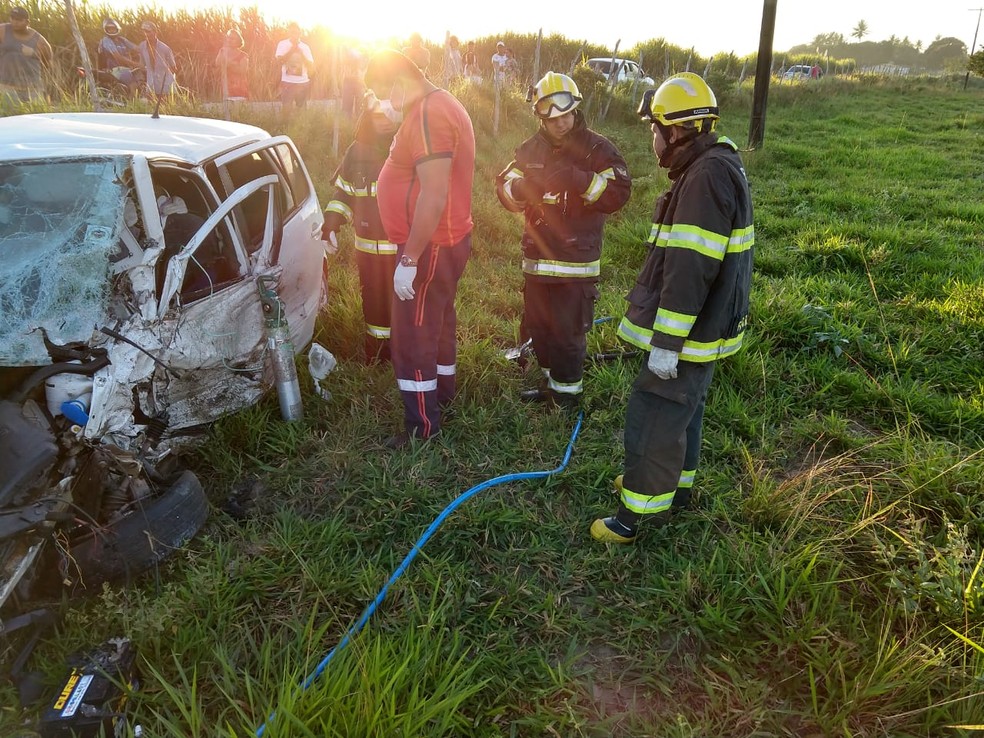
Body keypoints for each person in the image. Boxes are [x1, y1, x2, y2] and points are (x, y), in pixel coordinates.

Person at [591, 72, 754, 544]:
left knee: (655, 411)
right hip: (706, 328)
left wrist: (666, 344)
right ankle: (675, 491)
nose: (651, 138)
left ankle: (630, 517)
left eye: (654, 128)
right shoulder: (717, 162)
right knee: (685, 409)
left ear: (675, 131)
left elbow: (689, 269)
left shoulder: (704, 178)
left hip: (688, 331)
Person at [495, 72, 630, 410]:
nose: (562, 123)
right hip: (537, 260)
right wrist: (519, 189)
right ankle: (551, 384)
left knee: (568, 334)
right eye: (553, 118)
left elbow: (618, 192)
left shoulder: (598, 148)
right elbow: (505, 184)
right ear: (541, 117)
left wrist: (579, 180)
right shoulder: (529, 149)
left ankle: (566, 401)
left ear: (576, 109)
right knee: (539, 329)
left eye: (567, 115)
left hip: (576, 263)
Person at [365, 49, 475, 448]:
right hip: (436, 245)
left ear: (400, 80)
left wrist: (409, 258)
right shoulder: (434, 107)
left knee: (413, 335)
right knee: (438, 322)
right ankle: (442, 395)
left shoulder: (430, 113)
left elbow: (434, 194)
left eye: (384, 91)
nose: (384, 103)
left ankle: (422, 427)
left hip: (427, 247)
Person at [321, 91, 400, 364]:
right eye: (379, 115)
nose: (386, 121)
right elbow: (343, 193)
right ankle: (377, 353)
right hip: (366, 248)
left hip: (403, 250)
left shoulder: (410, 148)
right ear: (368, 116)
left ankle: (405, 351)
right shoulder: (355, 152)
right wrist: (331, 223)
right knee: (373, 299)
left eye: (392, 114)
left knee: (402, 301)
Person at [0, 6, 51, 103]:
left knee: (35, 116)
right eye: (13, 18)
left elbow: (48, 59)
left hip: (32, 88)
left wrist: (33, 53)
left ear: (27, 22)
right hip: (6, 86)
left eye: (19, 20)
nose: (15, 22)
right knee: (8, 117)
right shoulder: (3, 30)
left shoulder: (38, 39)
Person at [275, 22, 313, 114]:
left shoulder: (305, 47)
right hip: (287, 83)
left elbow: (310, 65)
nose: (294, 35)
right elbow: (279, 61)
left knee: (302, 112)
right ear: (289, 33)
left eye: (296, 32)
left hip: (302, 83)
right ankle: (285, 127)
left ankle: (301, 127)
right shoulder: (282, 44)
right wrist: (292, 50)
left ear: (300, 33)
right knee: (286, 110)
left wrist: (301, 54)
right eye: (292, 32)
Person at [97, 18, 140, 97]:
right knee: (133, 84)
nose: (111, 31)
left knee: (142, 78)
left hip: (126, 68)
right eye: (109, 29)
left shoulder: (122, 40)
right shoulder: (106, 40)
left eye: (113, 28)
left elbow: (136, 48)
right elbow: (118, 57)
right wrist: (136, 64)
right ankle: (133, 106)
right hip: (115, 69)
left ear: (117, 28)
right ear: (106, 30)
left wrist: (149, 51)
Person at [138, 21, 177, 97]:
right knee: (150, 106)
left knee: (166, 106)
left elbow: (174, 67)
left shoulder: (165, 48)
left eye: (148, 31)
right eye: (144, 31)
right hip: (151, 83)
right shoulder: (142, 46)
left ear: (155, 32)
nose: (146, 34)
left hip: (165, 85)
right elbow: (142, 65)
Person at [215, 28, 248, 101]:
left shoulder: (243, 55)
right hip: (225, 83)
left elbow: (243, 71)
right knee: (226, 105)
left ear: (238, 41)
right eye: (229, 38)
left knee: (239, 106)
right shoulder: (222, 51)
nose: (230, 40)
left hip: (239, 85)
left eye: (233, 38)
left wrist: (227, 64)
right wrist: (233, 64)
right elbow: (217, 63)